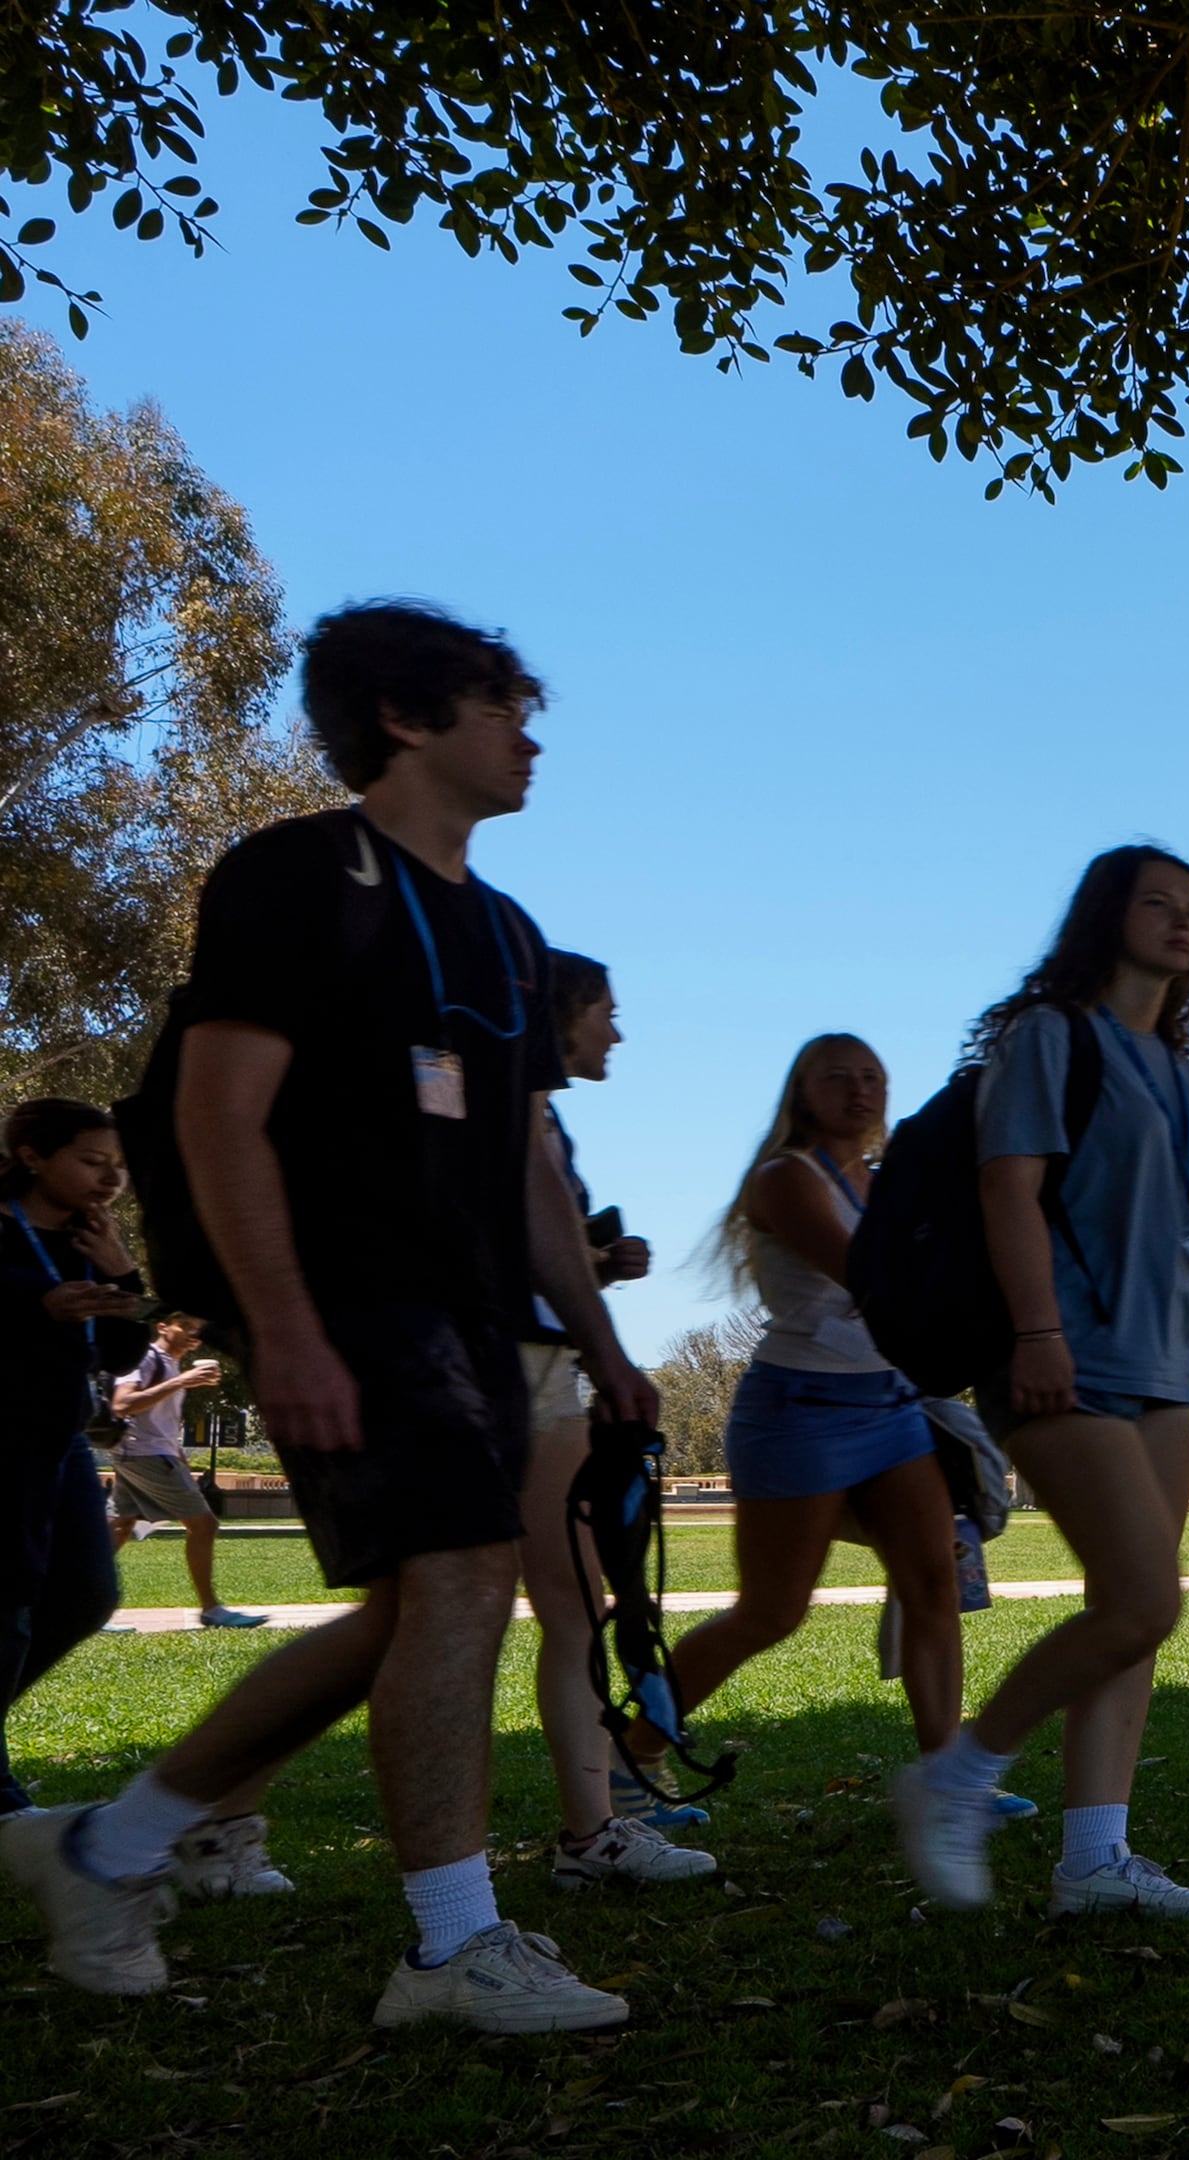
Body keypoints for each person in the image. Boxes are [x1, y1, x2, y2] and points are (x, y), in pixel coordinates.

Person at [0, 603, 651, 2031]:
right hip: (344, 1295)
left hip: (475, 1314)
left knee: (413, 1617)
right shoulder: (297, 875)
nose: (528, 734)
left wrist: (598, 1343)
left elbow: (531, 1159)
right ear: (408, 720)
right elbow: (217, 1111)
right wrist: (279, 1327)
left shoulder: (510, 933)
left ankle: (103, 1851)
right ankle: (449, 1949)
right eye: (499, 705)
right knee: (469, 1578)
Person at [891, 846, 1189, 1918]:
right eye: (1157, 903)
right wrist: (1035, 1331)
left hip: (1167, 1371)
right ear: (1105, 918)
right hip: (1060, 1359)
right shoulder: (1050, 1040)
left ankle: (1093, 1860)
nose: (1181, 922)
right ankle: (959, 1777)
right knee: (1144, 1597)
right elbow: (1006, 1189)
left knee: (1134, 1615)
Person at [613, 1035, 971, 1816]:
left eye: (873, 1076)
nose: (860, 1089)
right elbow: (873, 1276)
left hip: (891, 1404)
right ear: (801, 1091)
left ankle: (947, 1783)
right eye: (837, 1076)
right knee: (772, 1612)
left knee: (933, 1583)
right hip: (800, 1410)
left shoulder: (885, 1183)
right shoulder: (784, 1179)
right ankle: (631, 1758)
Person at [510, 950, 716, 1886]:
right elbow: (507, 1258)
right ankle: (200, 1805)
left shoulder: (538, 1114)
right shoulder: (511, 1110)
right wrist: (604, 1329)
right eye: (606, 1012)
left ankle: (598, 1825)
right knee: (442, 1618)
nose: (618, 1032)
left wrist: (596, 1268)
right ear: (564, 1012)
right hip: (509, 1371)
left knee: (578, 1608)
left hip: (546, 1372)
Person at [1, 1103, 157, 1821]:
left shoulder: (86, 1240)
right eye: (93, 1161)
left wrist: (121, 1273)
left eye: (116, 1164)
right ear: (33, 1156)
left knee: (88, 1593)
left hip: (59, 1439)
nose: (111, 1176)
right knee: (9, 1604)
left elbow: (123, 1355)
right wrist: (41, 1304)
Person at [106, 1312, 266, 1629]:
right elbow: (122, 1405)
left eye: (198, 1329)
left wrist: (179, 1457)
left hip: (147, 1453)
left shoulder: (169, 1362)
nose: (194, 1334)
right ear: (163, 1326)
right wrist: (182, 1382)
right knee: (204, 1526)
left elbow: (159, 1421)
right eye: (186, 1326)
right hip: (145, 1454)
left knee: (119, 1528)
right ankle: (211, 1609)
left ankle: (85, 1609)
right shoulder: (147, 1357)